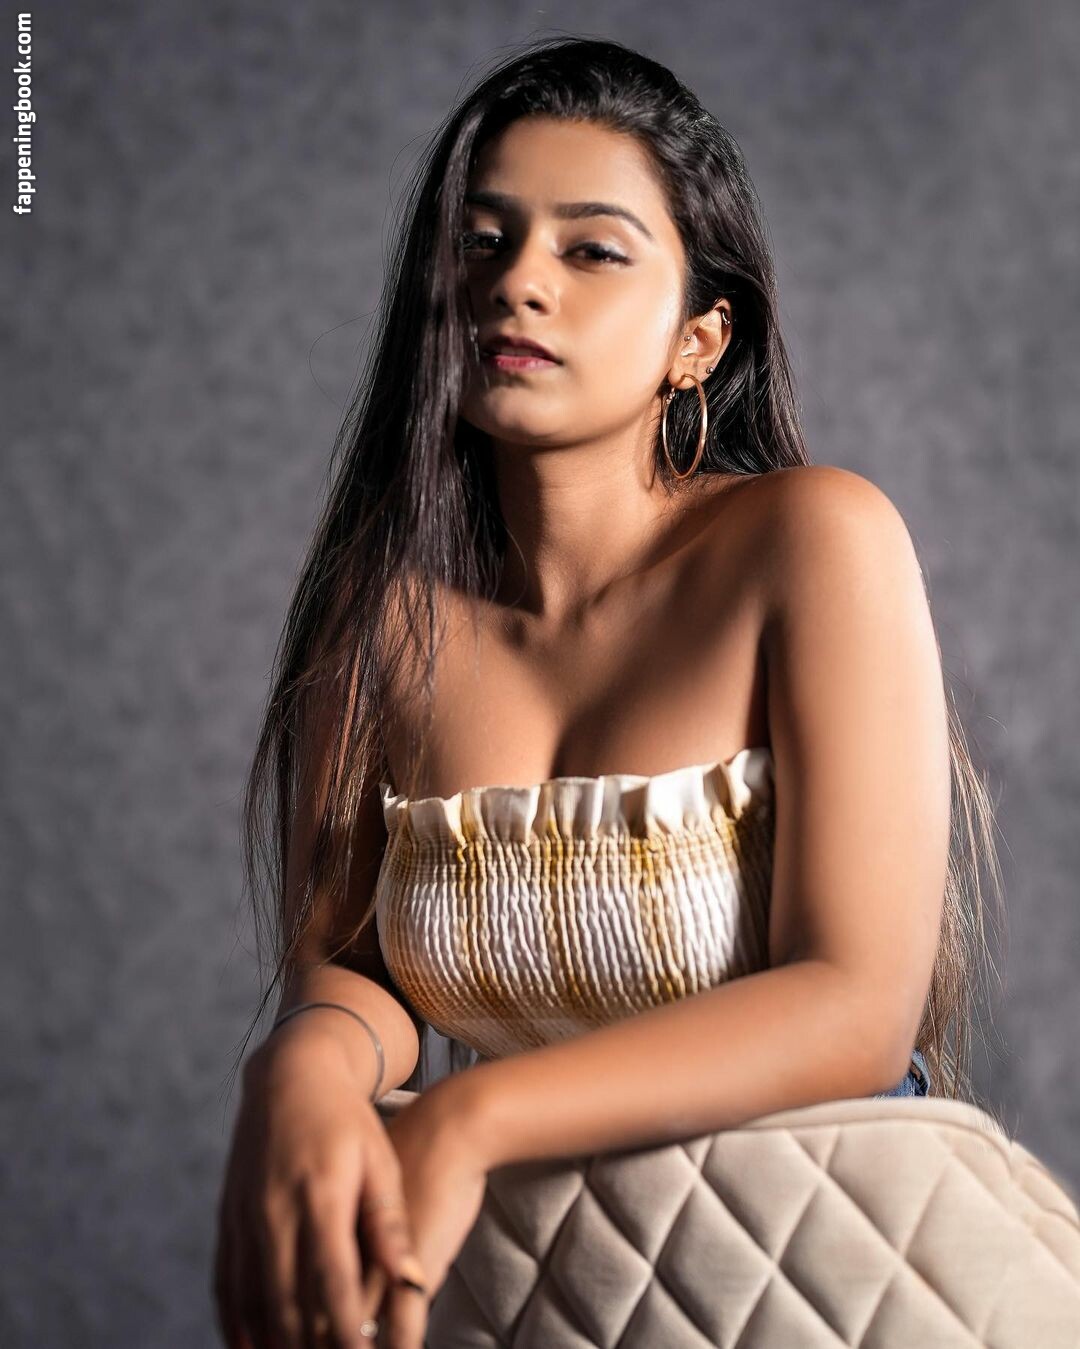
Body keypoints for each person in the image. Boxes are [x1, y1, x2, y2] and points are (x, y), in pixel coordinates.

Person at [212, 36, 1006, 1349]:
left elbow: (857, 1008)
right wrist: (298, 1063)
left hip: (832, 1290)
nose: (518, 281)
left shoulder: (811, 541)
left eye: (591, 250)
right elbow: (352, 974)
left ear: (699, 339)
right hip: (543, 1295)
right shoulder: (379, 621)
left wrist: (474, 1116)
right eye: (481, 242)